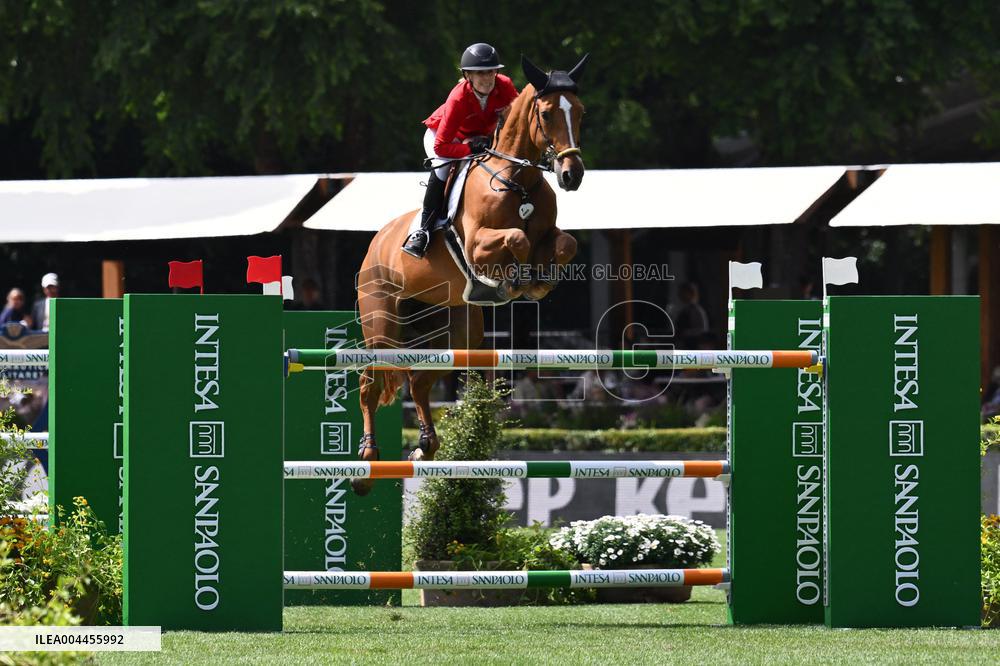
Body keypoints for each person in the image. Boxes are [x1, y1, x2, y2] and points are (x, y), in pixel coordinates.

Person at [402, 43, 519, 258]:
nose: (487, 78)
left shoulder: (506, 86)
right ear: (468, 76)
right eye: (480, 73)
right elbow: (441, 146)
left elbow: (518, 121)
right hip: (444, 136)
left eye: (491, 71)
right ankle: (423, 230)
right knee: (442, 168)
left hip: (481, 137)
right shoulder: (458, 98)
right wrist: (468, 148)